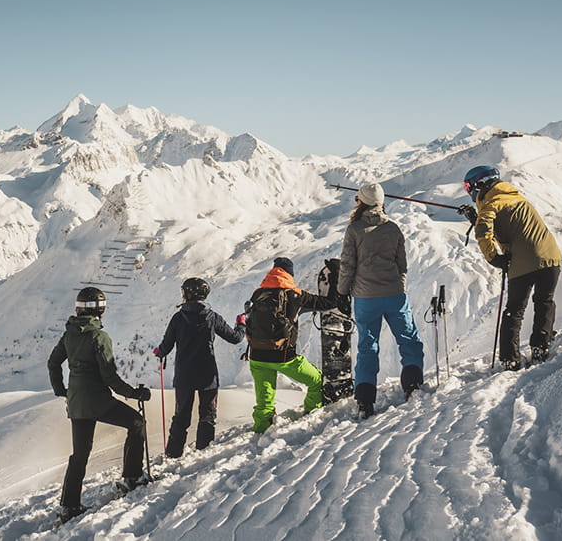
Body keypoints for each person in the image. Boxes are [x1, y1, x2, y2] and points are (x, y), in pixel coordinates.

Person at [48, 287, 152, 523]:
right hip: (98, 400)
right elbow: (110, 378)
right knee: (137, 423)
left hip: (76, 403)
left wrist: (62, 391)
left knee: (80, 454)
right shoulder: (99, 337)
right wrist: (136, 394)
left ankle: (69, 506)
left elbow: (53, 364)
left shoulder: (69, 334)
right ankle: (132, 477)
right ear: (100, 309)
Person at [460, 166, 562, 370]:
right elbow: (506, 225)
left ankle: (510, 357)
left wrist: (493, 258)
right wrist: (475, 216)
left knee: (514, 310)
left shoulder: (491, 204)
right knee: (544, 301)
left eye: (468, 187)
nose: (468, 191)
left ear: (479, 185)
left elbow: (483, 231)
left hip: (522, 263)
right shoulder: (516, 198)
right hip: (551, 258)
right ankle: (540, 345)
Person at [338, 182, 425, 419]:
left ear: (361, 202)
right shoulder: (393, 229)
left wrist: (343, 292)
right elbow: (402, 264)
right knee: (408, 339)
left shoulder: (354, 230)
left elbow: (347, 265)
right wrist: (398, 285)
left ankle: (365, 401)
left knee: (368, 347)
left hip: (366, 298)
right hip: (394, 294)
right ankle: (413, 385)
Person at [241, 257, 338, 433]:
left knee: (264, 401)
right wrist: (335, 274)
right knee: (317, 381)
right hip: (283, 357)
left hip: (257, 357)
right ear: (290, 275)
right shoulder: (295, 295)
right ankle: (312, 414)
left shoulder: (258, 294)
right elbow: (330, 303)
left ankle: (261, 431)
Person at [152, 277, 244, 458]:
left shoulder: (178, 318)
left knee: (181, 417)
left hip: (184, 375)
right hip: (208, 374)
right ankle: (204, 455)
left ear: (187, 294)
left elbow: (166, 346)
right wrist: (241, 324)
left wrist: (159, 352)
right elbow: (235, 338)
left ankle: (173, 454)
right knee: (208, 415)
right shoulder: (213, 317)